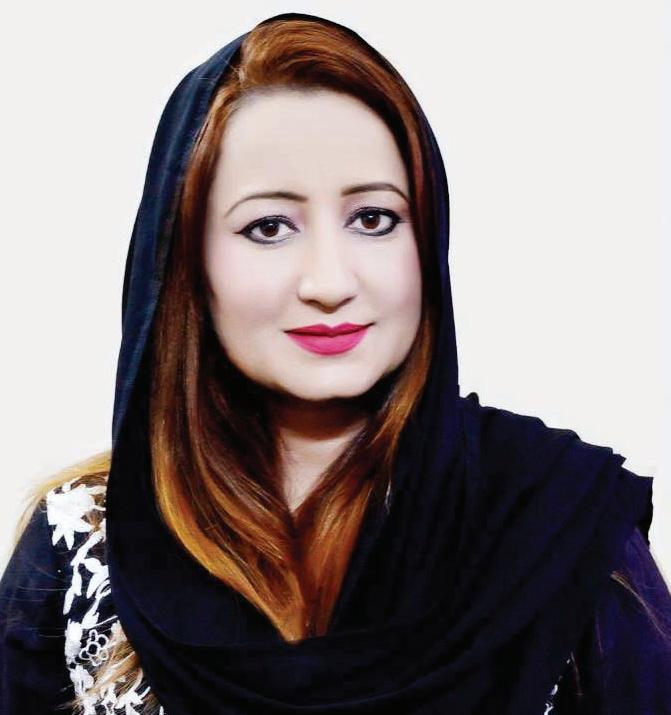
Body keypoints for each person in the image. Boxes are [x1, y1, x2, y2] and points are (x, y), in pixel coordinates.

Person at [1, 11, 670, 715]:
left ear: (426, 242)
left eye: (373, 219)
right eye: (268, 227)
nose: (329, 281)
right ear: (187, 262)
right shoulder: (86, 540)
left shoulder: (558, 527)